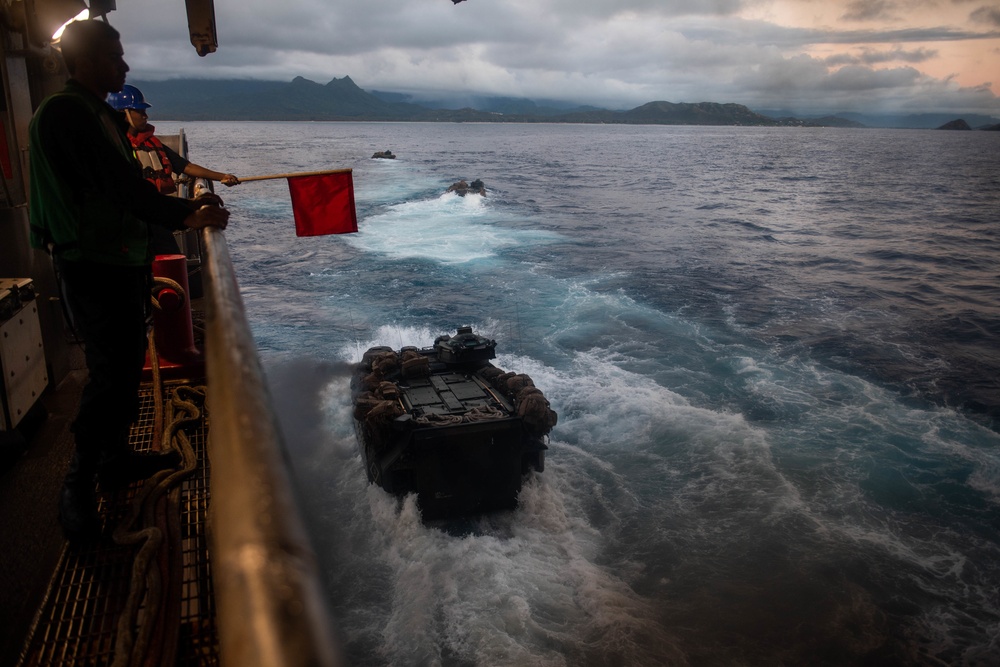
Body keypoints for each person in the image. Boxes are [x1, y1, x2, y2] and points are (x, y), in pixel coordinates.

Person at [28, 19, 230, 541]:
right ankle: (75, 488)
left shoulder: (98, 116)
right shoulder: (68, 113)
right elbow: (120, 189)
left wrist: (182, 207)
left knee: (118, 367)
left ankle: (115, 459)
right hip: (92, 264)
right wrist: (189, 217)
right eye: (116, 56)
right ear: (88, 59)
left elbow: (134, 186)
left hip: (117, 259)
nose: (125, 65)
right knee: (108, 375)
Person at [107, 84, 240, 193]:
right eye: (140, 112)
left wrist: (222, 177)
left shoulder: (151, 143)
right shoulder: (111, 145)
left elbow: (186, 167)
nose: (145, 116)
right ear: (124, 114)